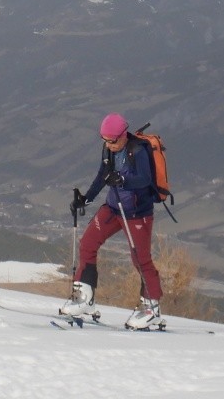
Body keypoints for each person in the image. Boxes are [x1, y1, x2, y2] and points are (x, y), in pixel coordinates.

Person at [60, 113, 164, 330]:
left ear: (123, 135)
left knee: (140, 259)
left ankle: (151, 308)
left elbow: (145, 179)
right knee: (88, 244)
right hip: (113, 208)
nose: (109, 144)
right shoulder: (109, 149)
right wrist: (86, 199)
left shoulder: (138, 150)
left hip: (137, 213)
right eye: (105, 140)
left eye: (113, 140)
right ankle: (84, 298)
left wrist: (124, 179)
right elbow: (102, 176)